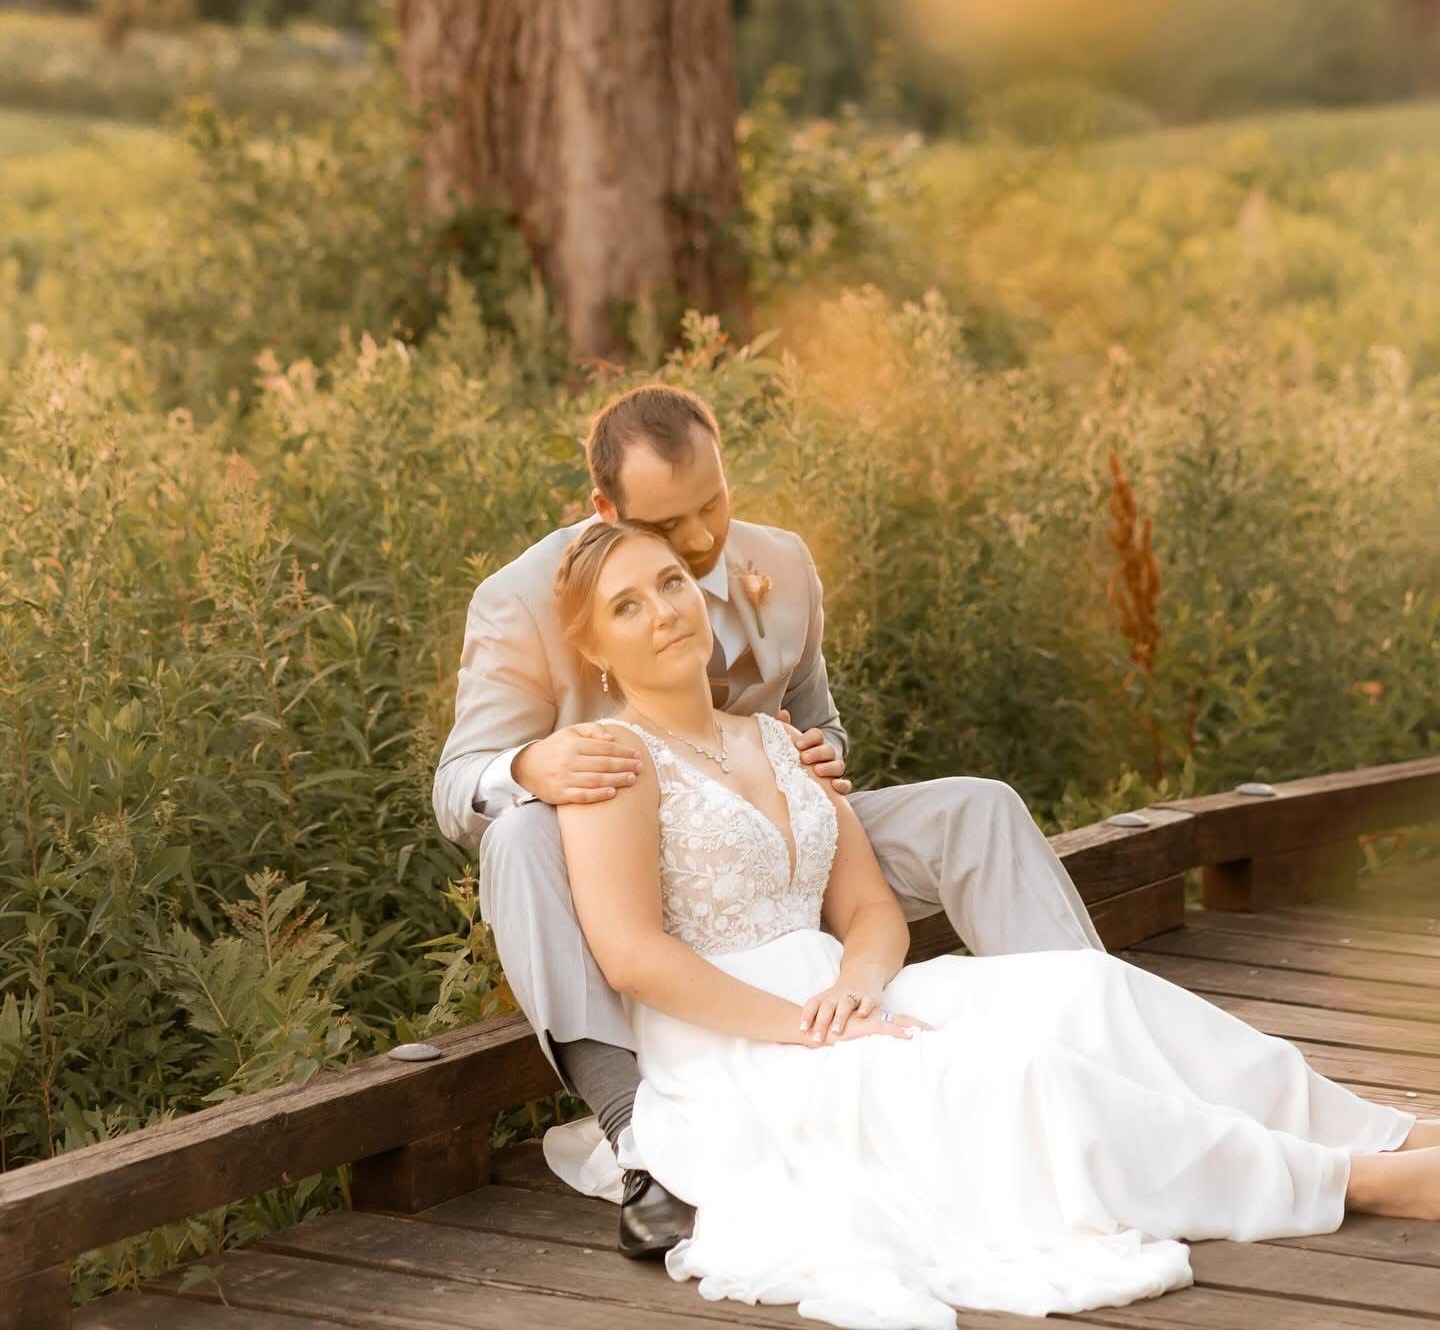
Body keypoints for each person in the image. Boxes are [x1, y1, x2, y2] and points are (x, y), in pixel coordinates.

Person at [552, 517, 1440, 1326]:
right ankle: (1354, 1180)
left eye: (671, 583)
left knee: (1086, 990)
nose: (664, 612)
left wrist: (856, 985)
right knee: (1011, 1073)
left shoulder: (780, 740)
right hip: (733, 1041)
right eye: (627, 607)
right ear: (595, 646)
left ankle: (1372, 1127)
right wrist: (804, 1028)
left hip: (844, 987)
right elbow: (632, 957)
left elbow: (865, 906)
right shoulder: (611, 764)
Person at [432, 384, 1104, 1256]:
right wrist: (527, 765)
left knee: (979, 806)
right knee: (518, 833)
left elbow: (818, 717)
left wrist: (821, 750)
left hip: (767, 838)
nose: (706, 540)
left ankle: (1079, 1036)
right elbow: (456, 789)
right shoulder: (519, 599)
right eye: (671, 527)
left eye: (714, 502)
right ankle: (639, 1140)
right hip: (622, 866)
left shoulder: (781, 562)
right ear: (604, 509)